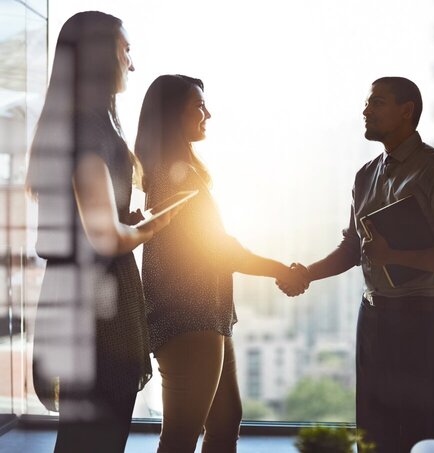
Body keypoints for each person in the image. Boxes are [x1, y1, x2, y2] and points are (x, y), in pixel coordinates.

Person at [278, 77, 434, 453]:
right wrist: (306, 274)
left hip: (424, 322)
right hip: (373, 318)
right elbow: (353, 248)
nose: (366, 111)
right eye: (368, 104)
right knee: (372, 431)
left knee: (420, 431)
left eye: (377, 103)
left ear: (407, 111)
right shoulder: (365, 175)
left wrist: (395, 256)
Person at [134, 74, 308, 453]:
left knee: (226, 421)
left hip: (209, 316)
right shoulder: (171, 176)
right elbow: (220, 250)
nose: (208, 113)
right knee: (180, 438)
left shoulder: (185, 171)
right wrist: (281, 270)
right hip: (187, 319)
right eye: (198, 106)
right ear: (171, 116)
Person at [26, 11, 173, 453]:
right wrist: (153, 226)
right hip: (97, 308)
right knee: (98, 436)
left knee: (88, 434)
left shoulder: (86, 123)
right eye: (125, 50)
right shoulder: (87, 130)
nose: (132, 64)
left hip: (83, 300)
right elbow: (106, 238)